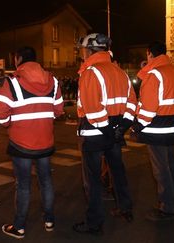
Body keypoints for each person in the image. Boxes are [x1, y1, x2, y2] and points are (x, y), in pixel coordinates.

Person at [0, 46, 64, 239]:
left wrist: (9, 123)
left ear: (18, 59)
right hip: (46, 142)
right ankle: (49, 220)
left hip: (21, 144)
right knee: (46, 181)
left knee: (23, 185)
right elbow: (58, 110)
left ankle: (19, 226)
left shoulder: (12, 82)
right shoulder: (53, 81)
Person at [73, 33, 137, 235]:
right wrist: (121, 130)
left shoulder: (91, 72)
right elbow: (132, 104)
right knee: (118, 172)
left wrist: (109, 131)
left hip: (95, 134)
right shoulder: (120, 72)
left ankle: (94, 223)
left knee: (92, 180)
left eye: (83, 49)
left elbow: (93, 110)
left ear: (89, 50)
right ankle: (125, 208)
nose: (82, 53)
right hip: (115, 133)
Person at [131, 41, 174, 221]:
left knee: (160, 170)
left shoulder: (154, 75)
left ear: (149, 54)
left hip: (156, 129)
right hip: (172, 127)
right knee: (170, 167)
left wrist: (137, 126)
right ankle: (172, 200)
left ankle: (167, 208)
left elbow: (148, 109)